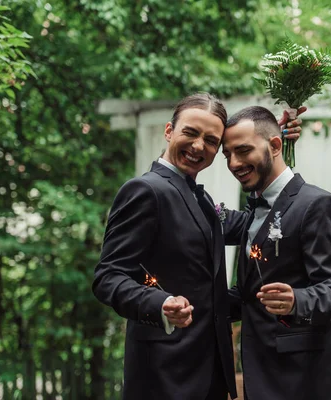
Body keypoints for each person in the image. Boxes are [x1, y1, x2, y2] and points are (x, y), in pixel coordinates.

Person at [92, 93, 303, 400]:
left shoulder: (200, 199)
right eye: (190, 133)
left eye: (210, 140)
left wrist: (272, 148)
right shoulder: (145, 191)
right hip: (164, 377)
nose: (197, 146)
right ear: (169, 131)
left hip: (209, 377)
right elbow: (107, 278)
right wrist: (160, 305)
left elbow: (254, 224)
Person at [222, 106, 331, 400]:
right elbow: (249, 294)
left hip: (305, 380)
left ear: (275, 145)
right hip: (262, 375)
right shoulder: (253, 209)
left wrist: (297, 300)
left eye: (243, 151)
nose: (234, 162)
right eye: (227, 154)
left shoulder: (317, 205)